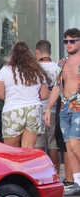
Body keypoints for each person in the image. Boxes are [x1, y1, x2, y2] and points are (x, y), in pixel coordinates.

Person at [45, 28, 80, 196]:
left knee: (75, 144)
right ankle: (77, 182)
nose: (68, 44)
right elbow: (57, 87)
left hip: (78, 106)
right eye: (66, 41)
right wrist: (47, 108)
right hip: (64, 108)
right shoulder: (62, 62)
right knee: (68, 146)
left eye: (72, 40)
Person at [0, 42, 48, 148]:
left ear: (13, 54)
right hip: (33, 109)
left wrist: (11, 97)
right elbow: (44, 95)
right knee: (28, 150)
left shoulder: (5, 70)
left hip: (12, 110)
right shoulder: (37, 70)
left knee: (11, 151)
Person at [34, 40, 62, 174]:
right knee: (53, 145)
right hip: (53, 110)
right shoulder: (58, 67)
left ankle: (40, 175)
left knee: (38, 145)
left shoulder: (33, 68)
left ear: (37, 52)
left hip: (38, 110)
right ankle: (55, 174)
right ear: (50, 52)